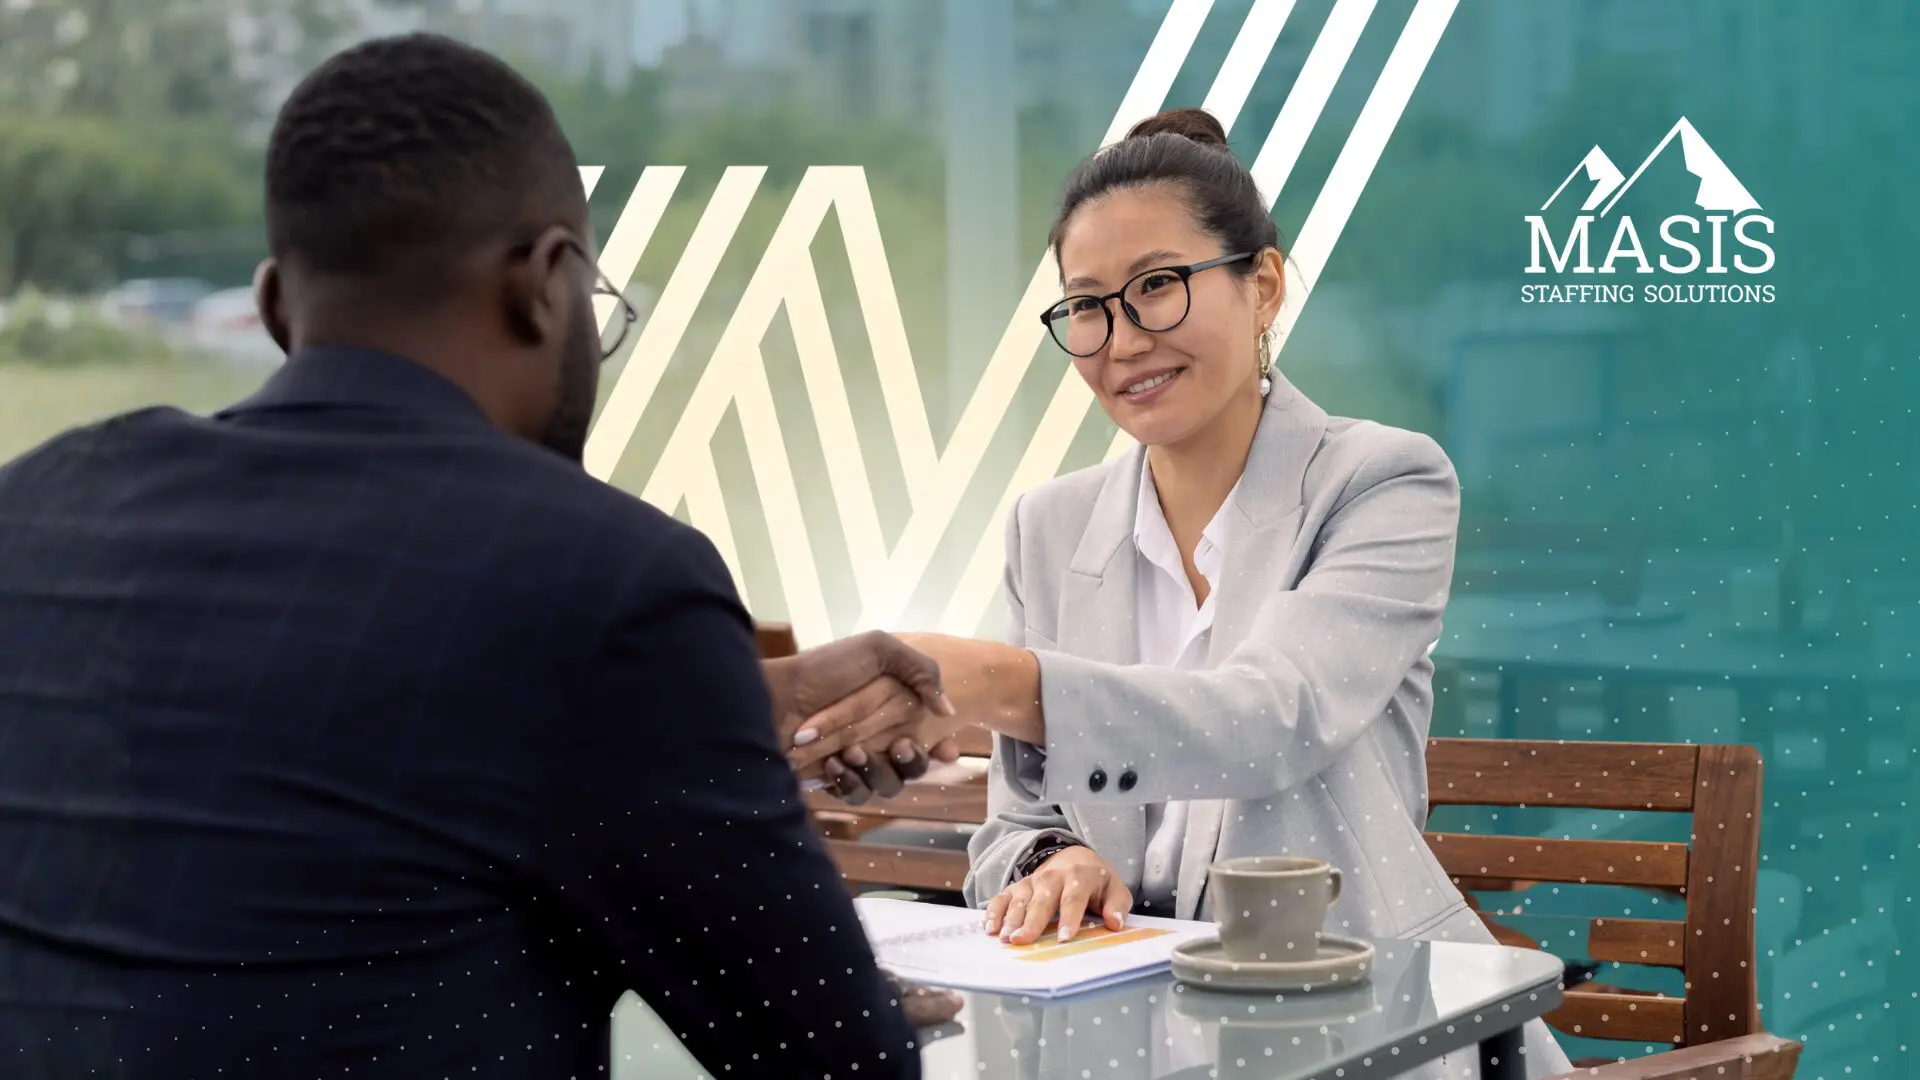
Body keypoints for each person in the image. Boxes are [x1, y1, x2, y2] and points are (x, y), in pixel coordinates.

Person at [0, 34, 955, 1080]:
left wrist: (711, 710)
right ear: (546, 282)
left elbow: (280, 755)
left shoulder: (37, 511)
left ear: (275, 309)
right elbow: (833, 1059)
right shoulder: (605, 578)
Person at [791, 108, 1575, 1078]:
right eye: (1087, 306)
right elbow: (1018, 818)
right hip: (1124, 1038)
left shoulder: (1383, 483)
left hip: (1368, 1021)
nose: (1121, 339)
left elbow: (1269, 719)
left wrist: (984, 677)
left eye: (1158, 286)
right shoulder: (1049, 525)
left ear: (1264, 286)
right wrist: (1053, 862)